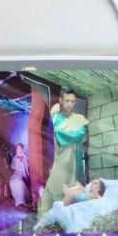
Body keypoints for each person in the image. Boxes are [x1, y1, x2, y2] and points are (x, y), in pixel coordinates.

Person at [38, 88, 89, 220]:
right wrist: (52, 114)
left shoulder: (79, 119)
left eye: (72, 101)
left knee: (66, 200)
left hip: (70, 165)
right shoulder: (55, 116)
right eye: (67, 101)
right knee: (47, 202)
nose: (70, 104)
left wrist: (57, 132)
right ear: (61, 100)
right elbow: (45, 133)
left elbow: (78, 136)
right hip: (53, 163)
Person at [35, 178, 118, 234]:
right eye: (92, 183)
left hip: (88, 209)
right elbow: (80, 201)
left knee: (67, 210)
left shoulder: (101, 199)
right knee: (63, 206)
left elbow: (94, 202)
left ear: (100, 188)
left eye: (95, 183)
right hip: (80, 205)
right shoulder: (86, 195)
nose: (91, 184)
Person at [9, 143, 29, 208]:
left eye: (20, 148)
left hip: (23, 174)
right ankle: (18, 202)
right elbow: (13, 168)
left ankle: (22, 201)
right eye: (17, 148)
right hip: (16, 174)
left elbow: (27, 167)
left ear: (22, 149)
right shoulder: (14, 158)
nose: (18, 149)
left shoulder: (26, 158)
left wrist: (22, 161)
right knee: (12, 182)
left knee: (19, 183)